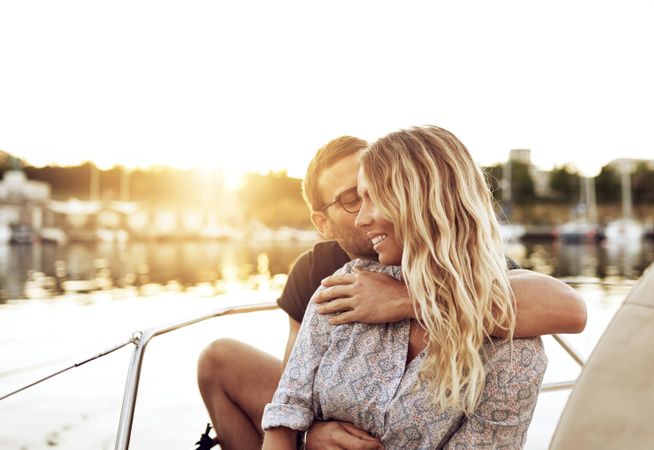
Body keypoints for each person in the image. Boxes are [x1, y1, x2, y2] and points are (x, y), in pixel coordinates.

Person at [197, 136, 586, 450]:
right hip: (323, 433)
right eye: (354, 199)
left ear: (410, 197)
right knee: (218, 358)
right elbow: (293, 392)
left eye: (375, 192)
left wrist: (403, 299)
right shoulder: (321, 273)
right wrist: (308, 435)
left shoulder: (485, 292)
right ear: (322, 222)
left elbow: (566, 309)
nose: (365, 215)